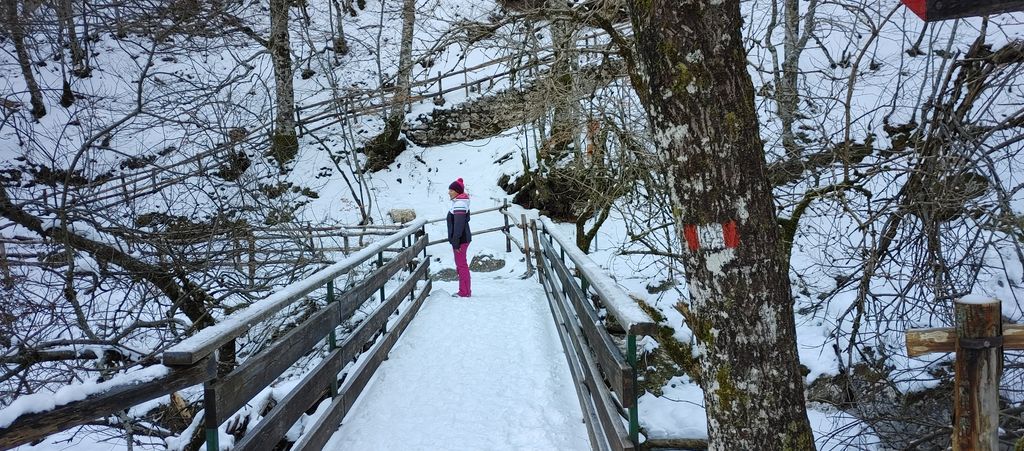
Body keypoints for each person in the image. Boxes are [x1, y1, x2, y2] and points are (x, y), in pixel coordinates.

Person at [446, 178, 471, 297]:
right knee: (462, 265)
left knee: (461, 266)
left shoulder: (460, 204)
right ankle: (465, 290)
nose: (449, 192)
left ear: (457, 191)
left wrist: (455, 241)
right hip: (461, 239)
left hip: (461, 240)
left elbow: (459, 225)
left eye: (451, 190)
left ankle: (464, 292)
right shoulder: (459, 203)